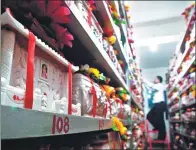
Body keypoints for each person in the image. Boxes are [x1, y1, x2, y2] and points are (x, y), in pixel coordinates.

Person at [142, 76, 167, 141]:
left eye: (155, 78)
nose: (154, 79)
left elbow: (151, 85)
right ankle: (158, 128)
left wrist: (143, 79)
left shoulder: (160, 85)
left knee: (160, 121)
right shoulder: (157, 87)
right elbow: (150, 88)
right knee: (149, 116)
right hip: (157, 104)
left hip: (160, 104)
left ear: (159, 80)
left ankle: (161, 137)